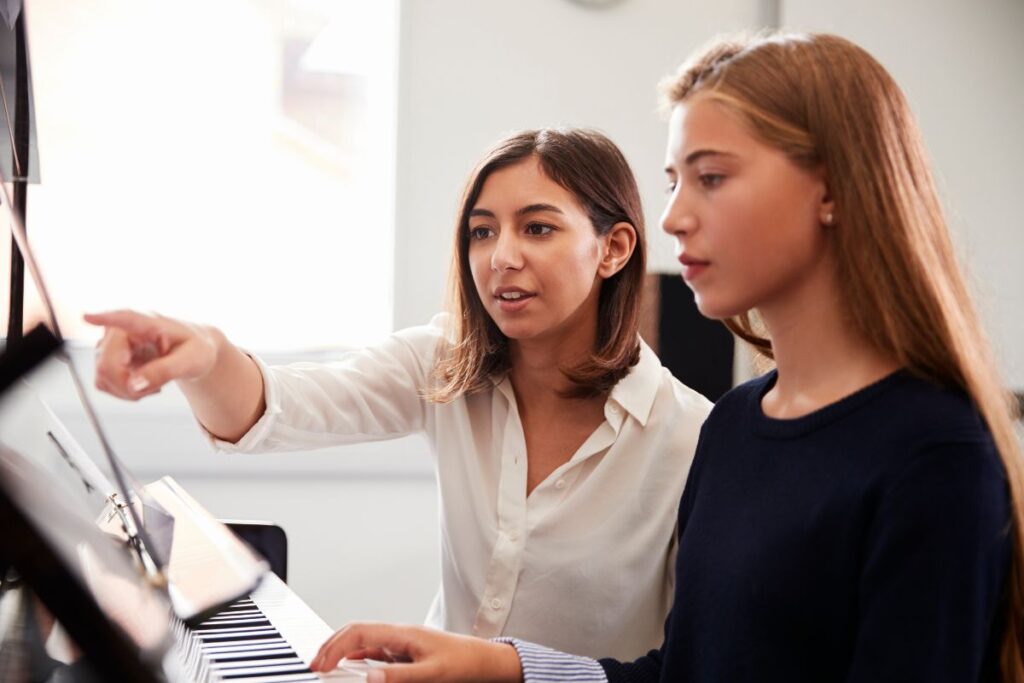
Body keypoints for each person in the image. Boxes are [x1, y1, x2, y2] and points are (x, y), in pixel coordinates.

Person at [308, 32, 1024, 683]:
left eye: (710, 177)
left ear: (832, 188)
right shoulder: (738, 425)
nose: (675, 216)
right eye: (674, 180)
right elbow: (679, 674)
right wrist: (503, 666)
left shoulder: (936, 453)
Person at [86, 128, 712, 660]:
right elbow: (279, 406)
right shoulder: (444, 362)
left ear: (614, 248)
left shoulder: (691, 438)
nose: (501, 258)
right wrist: (205, 357)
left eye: (538, 228)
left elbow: (695, 660)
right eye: (482, 232)